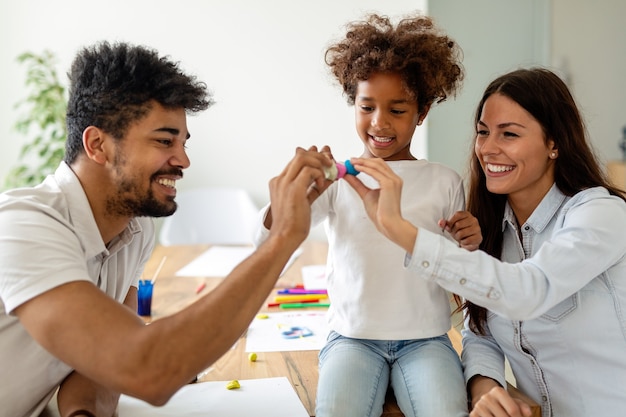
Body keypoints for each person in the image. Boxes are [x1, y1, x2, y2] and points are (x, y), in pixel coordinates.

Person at [0, 41, 334, 417]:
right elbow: (146, 369)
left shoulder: (135, 226)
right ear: (97, 145)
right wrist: (283, 238)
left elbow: (103, 367)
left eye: (183, 141)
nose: (183, 159)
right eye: (164, 140)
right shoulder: (21, 226)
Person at [344, 68, 626, 417]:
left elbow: (526, 291)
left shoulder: (601, 215)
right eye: (482, 132)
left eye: (508, 134)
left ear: (554, 143)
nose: (488, 149)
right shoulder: (491, 227)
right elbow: (481, 330)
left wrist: (399, 229)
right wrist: (485, 387)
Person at [254, 13, 481, 417]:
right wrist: (291, 196)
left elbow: (456, 269)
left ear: (422, 111)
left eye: (397, 109)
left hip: (426, 340)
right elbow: (267, 243)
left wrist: (469, 240)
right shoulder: (337, 179)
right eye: (367, 106)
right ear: (353, 104)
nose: (379, 122)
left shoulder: (444, 181)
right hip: (351, 339)